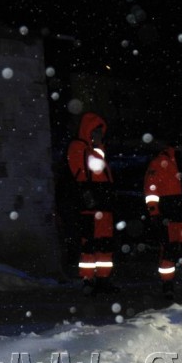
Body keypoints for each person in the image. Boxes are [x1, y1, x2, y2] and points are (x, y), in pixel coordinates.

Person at [144, 142, 182, 300]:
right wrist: (154, 211)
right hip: (168, 215)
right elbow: (151, 188)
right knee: (169, 253)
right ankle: (168, 286)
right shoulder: (161, 162)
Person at [66, 112, 118, 295]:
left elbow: (100, 172)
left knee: (104, 243)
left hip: (102, 202)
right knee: (89, 244)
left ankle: (103, 279)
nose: (98, 135)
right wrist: (88, 196)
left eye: (99, 132)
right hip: (91, 202)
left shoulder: (95, 149)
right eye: (95, 131)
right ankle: (88, 280)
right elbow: (80, 172)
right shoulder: (78, 147)